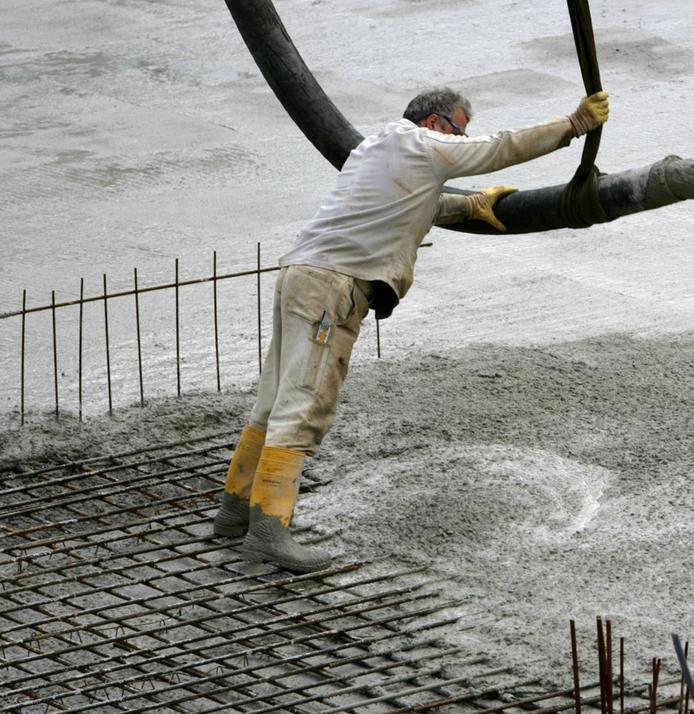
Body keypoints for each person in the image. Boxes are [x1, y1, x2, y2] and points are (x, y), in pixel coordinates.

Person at [210, 87, 610, 572]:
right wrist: (574, 123)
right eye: (459, 131)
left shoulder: (376, 148)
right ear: (439, 124)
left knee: (273, 400)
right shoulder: (421, 145)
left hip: (300, 276)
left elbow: (418, 204)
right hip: (334, 287)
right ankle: (268, 534)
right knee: (303, 407)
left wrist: (472, 205)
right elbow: (499, 147)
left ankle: (233, 515)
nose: (462, 140)